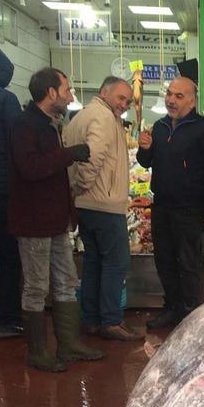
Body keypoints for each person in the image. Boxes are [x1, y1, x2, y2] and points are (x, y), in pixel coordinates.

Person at [8, 67, 104, 372]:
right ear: (51, 92)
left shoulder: (52, 125)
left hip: (57, 219)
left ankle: (69, 343)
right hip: (34, 221)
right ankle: (38, 352)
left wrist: (69, 211)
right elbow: (30, 168)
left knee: (66, 281)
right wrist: (71, 154)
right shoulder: (25, 125)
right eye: (67, 90)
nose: (70, 95)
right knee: (36, 286)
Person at [137, 77, 204, 328]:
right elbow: (146, 162)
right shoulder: (160, 126)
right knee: (164, 260)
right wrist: (145, 149)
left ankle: (190, 313)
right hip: (162, 205)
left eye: (179, 96)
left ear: (192, 101)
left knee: (188, 262)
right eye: (170, 94)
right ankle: (171, 307)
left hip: (190, 207)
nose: (171, 100)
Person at [65, 76, 140, 341]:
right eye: (120, 98)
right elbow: (92, 158)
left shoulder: (82, 116)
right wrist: (82, 186)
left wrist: (77, 191)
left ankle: (91, 319)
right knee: (116, 261)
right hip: (103, 204)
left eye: (128, 100)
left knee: (94, 261)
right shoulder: (104, 118)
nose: (124, 104)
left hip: (86, 204)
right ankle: (111, 320)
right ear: (104, 92)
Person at [0, 43, 23, 339]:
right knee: (9, 255)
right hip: (2, 192)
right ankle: (7, 319)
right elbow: (19, 147)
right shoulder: (6, 100)